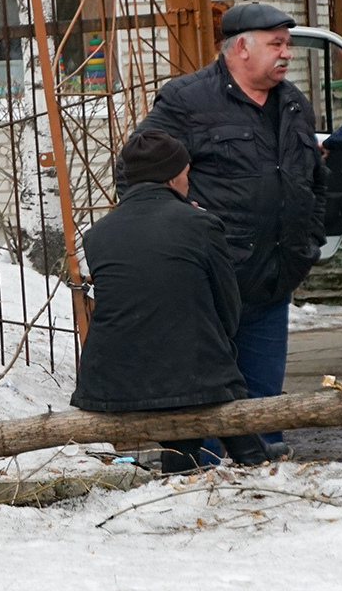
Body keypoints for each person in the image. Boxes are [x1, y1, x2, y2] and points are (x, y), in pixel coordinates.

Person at [121, 2, 326, 449]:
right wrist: (176, 231)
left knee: (263, 400)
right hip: (212, 278)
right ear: (241, 48)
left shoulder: (292, 103)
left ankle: (264, 483)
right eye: (277, 44)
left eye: (287, 44)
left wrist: (309, 239)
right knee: (205, 393)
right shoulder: (188, 100)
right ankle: (203, 483)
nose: (287, 54)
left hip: (274, 278)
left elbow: (313, 179)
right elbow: (139, 167)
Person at [71, 131, 269, 470]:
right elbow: (228, 311)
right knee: (200, 379)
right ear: (174, 176)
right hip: (192, 375)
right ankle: (255, 466)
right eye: (187, 173)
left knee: (184, 388)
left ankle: (189, 470)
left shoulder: (97, 235)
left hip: (112, 381)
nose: (189, 181)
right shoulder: (201, 225)